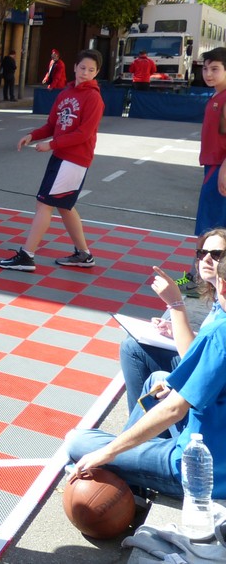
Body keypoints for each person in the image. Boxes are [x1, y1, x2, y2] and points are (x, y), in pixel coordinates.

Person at [67, 257, 226, 500]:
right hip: (215, 439)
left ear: (222, 285)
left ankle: (128, 472)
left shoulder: (218, 334)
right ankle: (132, 467)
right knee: (158, 380)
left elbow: (174, 409)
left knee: (77, 441)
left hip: (203, 472)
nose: (206, 258)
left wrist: (109, 453)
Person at [0, 49, 105, 272]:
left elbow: (84, 133)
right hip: (61, 157)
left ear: (97, 73)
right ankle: (84, 254)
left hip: (74, 159)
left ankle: (27, 256)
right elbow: (51, 125)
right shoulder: (65, 94)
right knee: (65, 206)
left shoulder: (94, 98)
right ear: (74, 67)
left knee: (44, 204)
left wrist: (52, 144)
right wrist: (32, 136)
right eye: (82, 68)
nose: (85, 73)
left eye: (91, 70)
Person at [120, 229, 225, 413]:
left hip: (210, 395)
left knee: (143, 362)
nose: (206, 259)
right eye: (202, 253)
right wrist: (174, 329)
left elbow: (192, 358)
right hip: (208, 375)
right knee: (133, 346)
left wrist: (176, 305)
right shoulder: (219, 297)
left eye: (216, 254)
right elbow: (209, 345)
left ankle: (145, 426)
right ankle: (142, 422)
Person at [195, 47, 226, 237]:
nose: (208, 74)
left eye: (215, 69)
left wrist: (223, 170)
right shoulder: (217, 95)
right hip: (214, 164)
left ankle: (204, 257)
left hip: (219, 165)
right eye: (205, 68)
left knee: (210, 226)